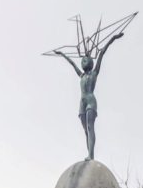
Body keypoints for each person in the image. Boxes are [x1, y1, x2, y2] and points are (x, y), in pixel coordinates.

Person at [53, 32, 124, 160]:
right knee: (85, 130)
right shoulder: (81, 75)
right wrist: (62, 54)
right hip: (82, 102)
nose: (83, 61)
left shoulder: (94, 73)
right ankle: (89, 153)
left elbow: (101, 53)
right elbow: (72, 64)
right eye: (82, 60)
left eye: (86, 60)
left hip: (91, 101)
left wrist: (113, 38)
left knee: (90, 127)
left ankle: (91, 155)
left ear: (91, 62)